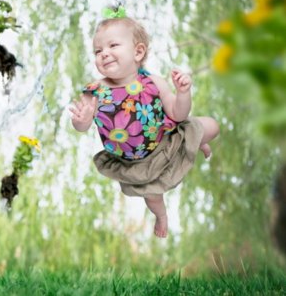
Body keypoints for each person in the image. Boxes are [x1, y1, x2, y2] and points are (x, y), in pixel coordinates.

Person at [69, 13, 219, 238]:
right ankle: (162, 216)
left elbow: (178, 114)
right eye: (98, 51)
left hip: (166, 141)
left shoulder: (153, 82)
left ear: (138, 52)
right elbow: (81, 126)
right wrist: (81, 121)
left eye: (112, 45)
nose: (104, 53)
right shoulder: (96, 91)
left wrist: (183, 93)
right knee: (153, 196)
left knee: (212, 126)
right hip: (139, 162)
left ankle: (197, 141)